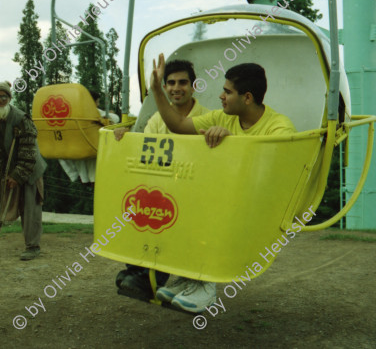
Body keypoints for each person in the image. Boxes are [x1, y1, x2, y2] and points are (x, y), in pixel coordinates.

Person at [149, 54, 296, 312]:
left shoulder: (279, 128)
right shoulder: (223, 117)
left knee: (207, 207)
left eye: (227, 92)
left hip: (259, 203)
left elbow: (270, 178)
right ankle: (190, 277)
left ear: (247, 97)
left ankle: (206, 284)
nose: (221, 96)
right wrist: (155, 90)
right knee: (183, 199)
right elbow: (178, 125)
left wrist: (233, 144)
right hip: (229, 196)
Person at [112, 59, 210, 300]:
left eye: (183, 82)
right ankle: (138, 271)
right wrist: (124, 139)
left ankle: (154, 278)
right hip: (164, 188)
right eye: (171, 83)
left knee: (176, 225)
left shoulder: (207, 118)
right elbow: (146, 157)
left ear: (194, 85)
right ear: (164, 87)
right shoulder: (156, 121)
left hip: (194, 192)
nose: (177, 88)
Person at [0, 81, 47, 261]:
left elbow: (30, 151)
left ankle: (33, 246)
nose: (1, 100)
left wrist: (18, 175)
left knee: (29, 208)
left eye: (4, 97)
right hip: (3, 169)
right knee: (6, 206)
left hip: (29, 169)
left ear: (10, 98)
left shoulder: (21, 118)